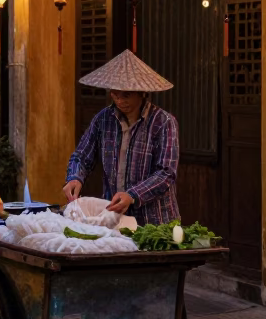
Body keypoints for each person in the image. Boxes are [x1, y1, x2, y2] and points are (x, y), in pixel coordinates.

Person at [64, 50, 180, 225]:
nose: (119, 101)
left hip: (154, 221)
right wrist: (75, 177)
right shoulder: (103, 119)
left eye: (126, 95)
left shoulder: (164, 122)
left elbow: (166, 173)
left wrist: (132, 195)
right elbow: (81, 155)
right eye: (115, 94)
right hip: (113, 218)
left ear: (142, 93)